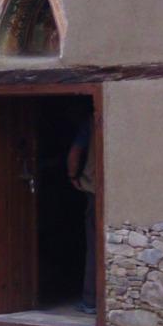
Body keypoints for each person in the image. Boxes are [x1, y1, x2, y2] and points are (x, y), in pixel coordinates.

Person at [66, 115, 96, 315]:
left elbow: (74, 154)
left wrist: (72, 175)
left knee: (94, 246)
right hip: (102, 189)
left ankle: (91, 301)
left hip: (92, 188)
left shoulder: (89, 124)